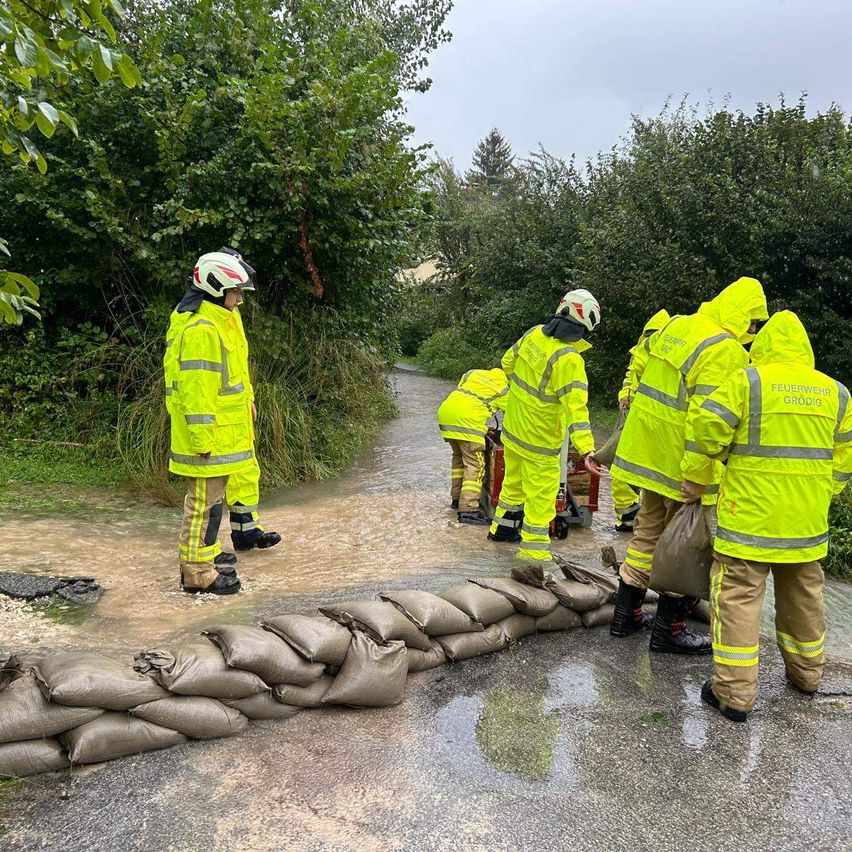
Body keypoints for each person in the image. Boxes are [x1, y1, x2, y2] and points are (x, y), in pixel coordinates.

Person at [680, 311, 852, 721]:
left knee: (737, 597)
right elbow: (843, 460)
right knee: (804, 596)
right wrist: (819, 494)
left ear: (763, 346)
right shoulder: (837, 393)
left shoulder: (748, 381)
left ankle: (734, 695)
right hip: (805, 523)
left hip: (749, 519)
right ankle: (808, 675)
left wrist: (711, 467)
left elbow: (707, 430)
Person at [608, 277, 768, 652]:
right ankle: (669, 631)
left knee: (647, 532)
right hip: (681, 462)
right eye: (753, 321)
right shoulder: (723, 348)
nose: (754, 330)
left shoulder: (679, 324)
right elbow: (704, 417)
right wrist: (698, 477)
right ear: (743, 314)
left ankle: (624, 617)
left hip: (648, 453)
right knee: (686, 546)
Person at [164, 248, 281, 595]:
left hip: (222, 433)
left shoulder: (214, 320)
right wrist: (202, 439)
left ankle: (205, 559)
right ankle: (195, 573)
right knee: (201, 505)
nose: (240, 298)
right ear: (216, 288)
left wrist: (249, 402)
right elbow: (197, 388)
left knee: (211, 502)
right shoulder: (202, 328)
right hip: (208, 437)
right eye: (235, 292)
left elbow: (230, 376)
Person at [488, 289, 602, 565]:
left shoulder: (534, 333)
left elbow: (507, 363)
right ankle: (534, 556)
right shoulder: (569, 360)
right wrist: (587, 450)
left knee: (512, 486)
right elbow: (576, 410)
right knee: (541, 501)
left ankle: (500, 533)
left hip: (514, 431)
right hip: (541, 442)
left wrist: (523, 399)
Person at [611, 309, 672, 532]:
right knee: (623, 467)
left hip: (654, 420)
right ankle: (628, 514)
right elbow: (630, 377)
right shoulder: (640, 352)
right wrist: (624, 396)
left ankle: (647, 516)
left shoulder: (667, 358)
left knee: (647, 471)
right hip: (634, 418)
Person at [437, 366, 509, 525]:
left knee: (459, 460)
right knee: (476, 465)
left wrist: (482, 428)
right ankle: (468, 510)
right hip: (467, 423)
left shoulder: (473, 373)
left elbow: (467, 396)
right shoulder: (505, 388)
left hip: (446, 414)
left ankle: (456, 500)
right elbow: (514, 416)